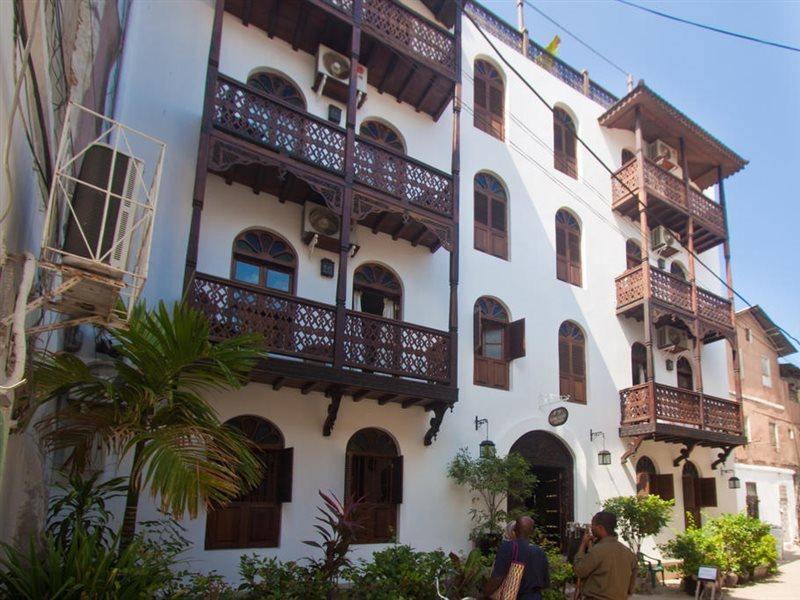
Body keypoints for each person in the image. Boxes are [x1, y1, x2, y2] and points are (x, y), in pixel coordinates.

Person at [573, 511, 637, 600]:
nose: (591, 528)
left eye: (593, 525)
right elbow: (633, 579)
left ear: (600, 527)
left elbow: (579, 570)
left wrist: (583, 545)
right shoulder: (628, 553)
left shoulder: (597, 551)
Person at [483, 516, 550, 600]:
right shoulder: (540, 552)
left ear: (514, 530)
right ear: (532, 532)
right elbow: (545, 583)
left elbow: (497, 578)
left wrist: (485, 594)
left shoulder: (507, 547)